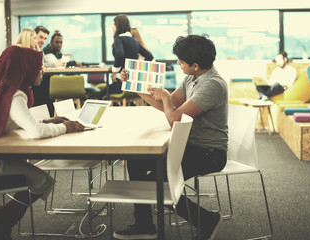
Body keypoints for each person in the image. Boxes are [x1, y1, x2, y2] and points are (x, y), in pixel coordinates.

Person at [117, 34, 228, 240]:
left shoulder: (212, 85)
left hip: (209, 153)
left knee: (156, 185)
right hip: (189, 146)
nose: (178, 63)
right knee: (136, 160)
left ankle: (207, 220)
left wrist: (167, 98)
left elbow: (174, 118)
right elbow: (167, 107)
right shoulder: (192, 78)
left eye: (181, 61)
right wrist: (135, 86)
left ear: (195, 65)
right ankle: (144, 225)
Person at [0, 45, 85, 239]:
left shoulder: (3, 87)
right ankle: (3, 217)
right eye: (40, 68)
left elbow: (15, 121)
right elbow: (35, 132)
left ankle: (3, 219)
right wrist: (65, 127)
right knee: (42, 181)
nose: (43, 71)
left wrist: (46, 121)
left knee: (40, 179)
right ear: (25, 69)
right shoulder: (16, 95)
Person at [98, 14, 153, 100]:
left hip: (121, 83)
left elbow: (120, 54)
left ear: (118, 26)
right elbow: (149, 57)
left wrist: (115, 70)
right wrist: (137, 68)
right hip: (133, 84)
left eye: (113, 24)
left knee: (101, 96)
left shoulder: (118, 39)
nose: (112, 27)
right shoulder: (134, 41)